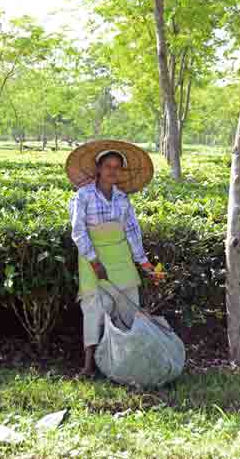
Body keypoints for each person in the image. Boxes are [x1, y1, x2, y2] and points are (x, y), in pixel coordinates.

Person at [66, 140, 163, 377]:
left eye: (117, 167)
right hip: (93, 261)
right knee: (94, 311)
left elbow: (132, 233)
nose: (112, 171)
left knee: (128, 308)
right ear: (98, 168)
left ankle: (122, 362)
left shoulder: (122, 199)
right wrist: (94, 262)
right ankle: (89, 366)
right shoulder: (84, 195)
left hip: (121, 260)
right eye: (108, 166)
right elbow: (78, 231)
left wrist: (145, 264)